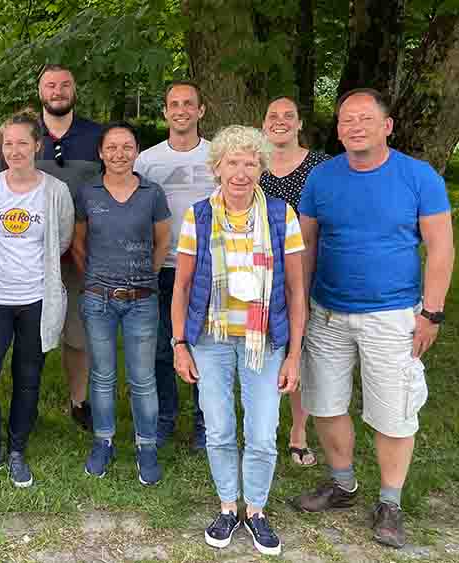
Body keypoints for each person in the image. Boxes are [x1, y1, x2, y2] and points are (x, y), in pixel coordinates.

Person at [294, 88, 454, 549]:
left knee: (393, 412)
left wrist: (432, 311)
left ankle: (390, 501)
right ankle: (342, 484)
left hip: (393, 315)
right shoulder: (322, 179)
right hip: (328, 311)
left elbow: (441, 248)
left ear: (387, 126)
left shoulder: (418, 177)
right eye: (346, 121)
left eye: (364, 119)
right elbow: (305, 249)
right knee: (324, 403)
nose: (354, 127)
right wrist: (300, 310)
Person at [172, 125, 306, 556]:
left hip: (264, 342)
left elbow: (296, 291)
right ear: (217, 168)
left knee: (263, 432)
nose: (241, 171)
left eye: (251, 162)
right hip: (210, 340)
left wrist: (294, 355)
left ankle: (257, 510)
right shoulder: (199, 215)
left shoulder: (282, 215)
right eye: (233, 162)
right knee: (220, 428)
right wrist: (179, 343)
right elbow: (182, 286)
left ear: (261, 168)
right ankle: (228, 505)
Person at [0, 111, 74, 488]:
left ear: (38, 145)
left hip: (37, 299)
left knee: (28, 379)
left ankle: (17, 451)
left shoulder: (55, 192)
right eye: (8, 143)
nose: (15, 150)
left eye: (23, 142)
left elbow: (64, 239)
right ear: (0, 147)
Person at [72, 122, 171, 484]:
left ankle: (146, 447)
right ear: (100, 152)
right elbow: (79, 243)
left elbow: (162, 241)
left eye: (126, 147)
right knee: (102, 376)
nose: (118, 154)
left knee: (143, 378)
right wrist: (94, 280)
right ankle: (104, 441)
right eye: (111, 148)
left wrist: (148, 275)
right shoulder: (89, 193)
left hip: (142, 300)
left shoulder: (151, 193)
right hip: (98, 299)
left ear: (136, 152)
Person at [134, 80, 211, 451]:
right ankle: (165, 416)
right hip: (162, 267)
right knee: (163, 348)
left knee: (206, 347)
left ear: (201, 111)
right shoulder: (147, 161)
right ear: (164, 112)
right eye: (173, 104)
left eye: (188, 104)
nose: (181, 110)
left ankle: (205, 422)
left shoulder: (216, 156)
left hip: (207, 269)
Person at [259, 96, 331, 467]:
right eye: (273, 116)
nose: (281, 121)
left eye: (289, 115)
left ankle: (299, 431)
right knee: (266, 348)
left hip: (308, 270)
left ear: (300, 123)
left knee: (299, 350)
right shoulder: (253, 165)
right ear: (263, 124)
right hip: (258, 273)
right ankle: (262, 426)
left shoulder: (321, 166)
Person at [33, 64, 103, 431]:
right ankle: (26, 398)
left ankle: (79, 400)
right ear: (40, 91)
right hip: (29, 250)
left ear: (74, 90)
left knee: (77, 328)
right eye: (50, 85)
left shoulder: (96, 135)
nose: (57, 91)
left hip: (81, 248)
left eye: (64, 85)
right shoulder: (24, 136)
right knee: (30, 327)